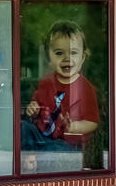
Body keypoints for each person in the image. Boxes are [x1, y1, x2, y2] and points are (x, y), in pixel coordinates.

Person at [23, 21, 101, 159]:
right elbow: (37, 107)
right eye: (59, 53)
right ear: (49, 57)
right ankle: (30, 156)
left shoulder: (85, 88)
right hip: (42, 136)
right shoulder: (46, 83)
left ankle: (36, 156)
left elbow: (92, 122)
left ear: (83, 58)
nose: (67, 58)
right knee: (23, 128)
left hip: (67, 144)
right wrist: (33, 110)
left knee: (54, 150)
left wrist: (74, 127)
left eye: (73, 53)